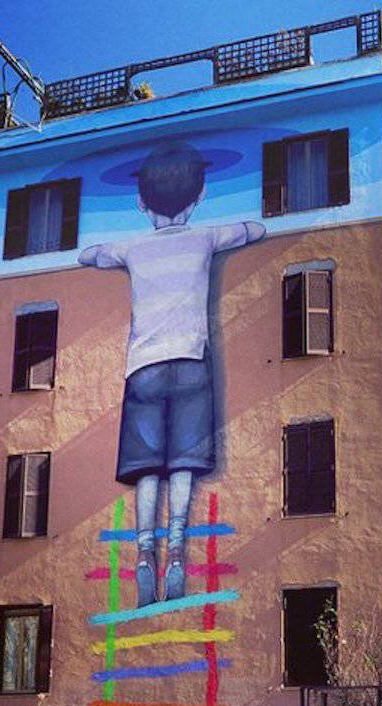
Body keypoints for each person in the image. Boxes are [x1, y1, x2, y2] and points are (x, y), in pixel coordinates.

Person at [79, 142, 265, 607]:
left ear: (141, 203)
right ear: (200, 195)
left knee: (147, 466)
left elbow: (88, 256)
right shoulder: (206, 238)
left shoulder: (133, 248)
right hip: (191, 363)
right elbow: (255, 229)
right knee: (183, 461)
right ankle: (177, 551)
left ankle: (145, 552)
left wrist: (113, 248)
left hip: (143, 368)